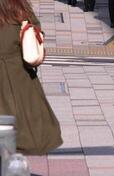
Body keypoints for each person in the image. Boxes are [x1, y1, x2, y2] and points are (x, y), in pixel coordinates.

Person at [0, 0, 63, 155]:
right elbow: (36, 32)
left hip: (12, 71)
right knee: (25, 120)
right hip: (17, 73)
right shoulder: (18, 9)